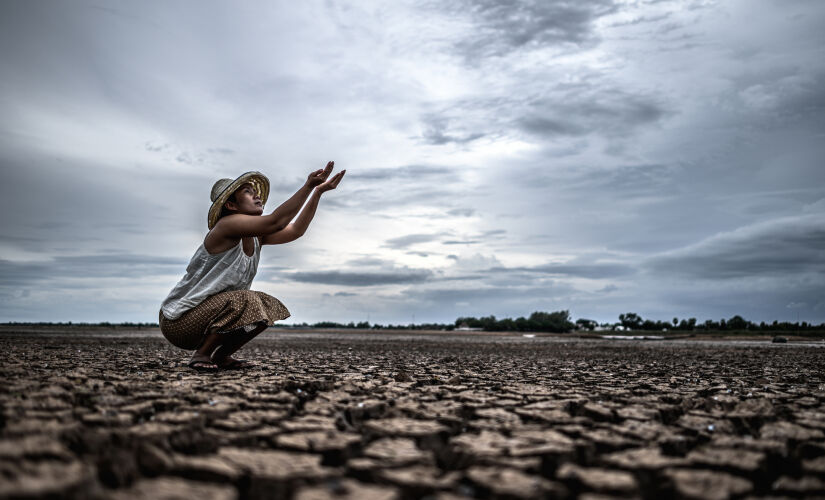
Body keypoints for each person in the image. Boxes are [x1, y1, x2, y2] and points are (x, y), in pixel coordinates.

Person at [159, 161, 345, 371]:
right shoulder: (226, 226)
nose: (257, 196)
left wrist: (317, 193)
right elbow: (276, 221)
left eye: (255, 192)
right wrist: (307, 186)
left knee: (266, 304)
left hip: (210, 318)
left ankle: (221, 356)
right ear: (231, 206)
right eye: (248, 192)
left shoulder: (257, 236)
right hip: (179, 321)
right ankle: (201, 355)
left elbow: (295, 231)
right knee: (246, 299)